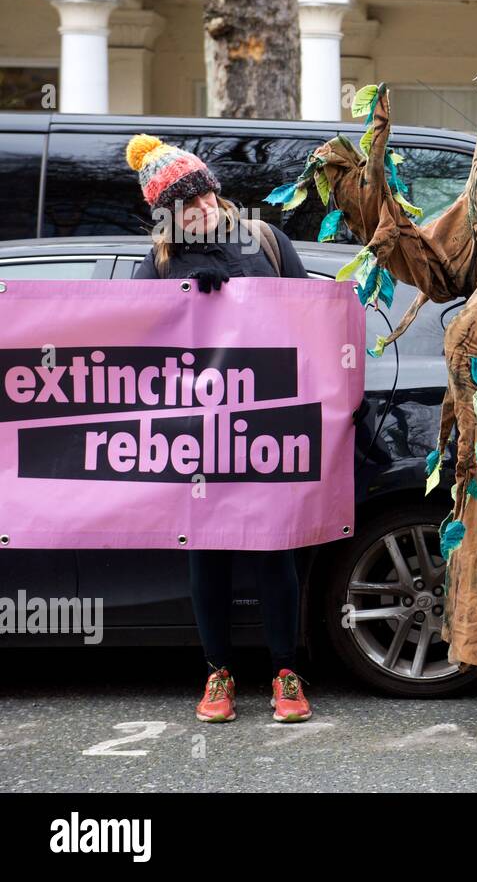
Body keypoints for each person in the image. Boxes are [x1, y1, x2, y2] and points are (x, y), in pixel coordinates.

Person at [126, 133, 314, 724]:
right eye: (186, 206)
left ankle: (286, 671)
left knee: (273, 551)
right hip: (195, 433)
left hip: (267, 422)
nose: (201, 210)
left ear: (215, 191)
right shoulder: (155, 265)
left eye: (204, 196)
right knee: (206, 554)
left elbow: (307, 315)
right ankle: (218, 673)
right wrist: (184, 297)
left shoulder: (264, 240)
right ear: (168, 216)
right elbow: (137, 348)